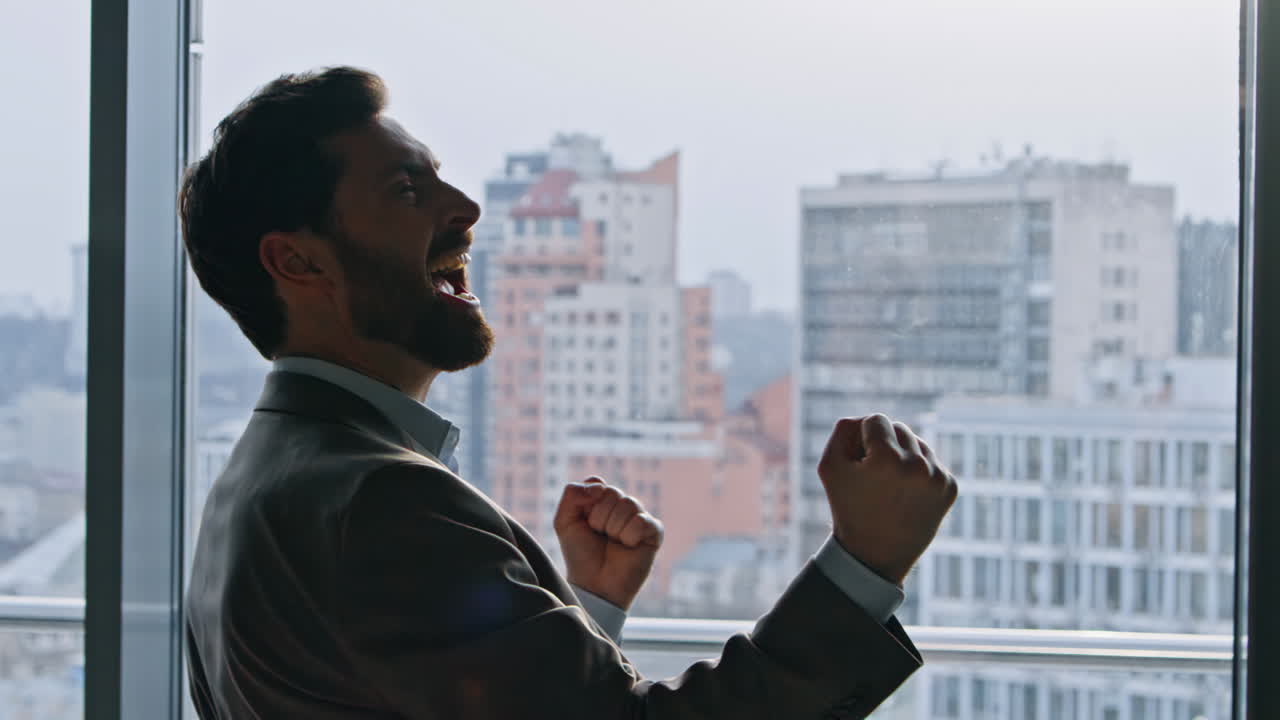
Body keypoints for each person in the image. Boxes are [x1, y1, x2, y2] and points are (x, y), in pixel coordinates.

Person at [179, 66, 958, 719]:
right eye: (409, 190)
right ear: (297, 263)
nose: (468, 209)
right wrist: (864, 563)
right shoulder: (380, 501)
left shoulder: (260, 482)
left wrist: (584, 612)